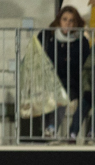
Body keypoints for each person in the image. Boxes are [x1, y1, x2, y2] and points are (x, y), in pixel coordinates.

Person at [37, 7, 87, 138]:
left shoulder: (81, 41)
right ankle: (42, 131)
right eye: (65, 19)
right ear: (59, 20)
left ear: (77, 23)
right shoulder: (46, 36)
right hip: (48, 80)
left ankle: (51, 129)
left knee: (61, 96)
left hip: (71, 83)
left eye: (72, 20)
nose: (68, 23)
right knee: (46, 94)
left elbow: (79, 66)